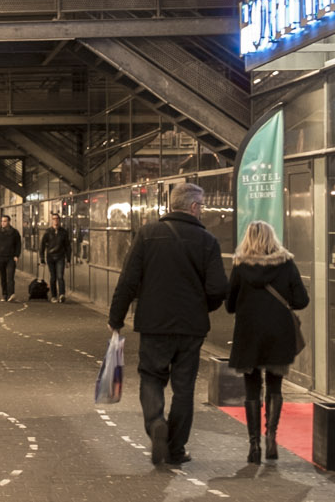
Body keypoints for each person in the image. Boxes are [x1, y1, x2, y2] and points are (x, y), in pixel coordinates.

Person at [108, 183, 228, 467]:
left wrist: (116, 318)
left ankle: (155, 422)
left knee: (151, 377)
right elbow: (218, 288)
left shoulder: (148, 235)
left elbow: (128, 280)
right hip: (191, 327)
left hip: (154, 323)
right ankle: (175, 449)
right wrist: (203, 307)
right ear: (195, 207)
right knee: (184, 388)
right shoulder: (208, 241)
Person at [225, 220, 310, 463]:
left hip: (249, 333)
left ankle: (254, 447)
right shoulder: (286, 264)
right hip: (278, 334)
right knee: (275, 386)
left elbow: (230, 306)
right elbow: (302, 300)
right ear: (272, 238)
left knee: (252, 388)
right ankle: (271, 437)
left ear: (248, 240)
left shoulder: (240, 266)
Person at [0, 216, 23, 301]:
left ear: (9, 222)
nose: (3, 223)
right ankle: (5, 294)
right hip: (1, 257)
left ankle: (11, 294)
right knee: (3, 276)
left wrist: (17, 255)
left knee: (10, 276)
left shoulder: (14, 233)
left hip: (11, 258)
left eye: (5, 221)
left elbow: (18, 245)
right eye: (2, 221)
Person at [41, 217, 71, 302]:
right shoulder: (48, 232)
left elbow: (68, 246)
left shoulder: (63, 232)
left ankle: (62, 294)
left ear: (59, 221)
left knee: (60, 276)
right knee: (53, 277)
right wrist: (42, 258)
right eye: (53, 219)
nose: (55, 221)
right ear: (51, 221)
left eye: (57, 219)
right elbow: (42, 246)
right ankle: (54, 296)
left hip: (60, 257)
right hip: (50, 257)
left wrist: (68, 259)